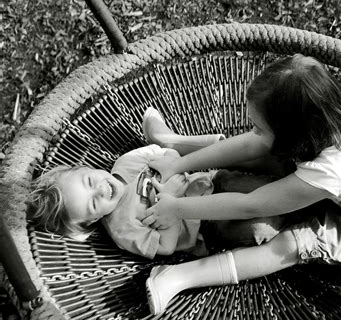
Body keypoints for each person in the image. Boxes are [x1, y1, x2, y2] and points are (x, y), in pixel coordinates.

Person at [142, 54, 341, 316]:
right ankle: (173, 145)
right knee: (262, 149)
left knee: (292, 245)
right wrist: (177, 166)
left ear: (295, 137)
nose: (252, 130)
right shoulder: (324, 121)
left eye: (259, 126)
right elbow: (252, 145)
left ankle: (177, 276)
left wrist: (176, 207)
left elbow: (250, 205)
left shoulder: (332, 169)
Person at [28, 108, 287, 259]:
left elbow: (168, 155)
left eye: (89, 181)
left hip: (211, 184)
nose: (100, 188)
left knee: (265, 182)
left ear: (87, 168)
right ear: (91, 221)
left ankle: (293, 189)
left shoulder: (126, 163)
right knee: (260, 226)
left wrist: (169, 176)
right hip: (208, 230)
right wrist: (171, 213)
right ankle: (298, 222)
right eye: (94, 202)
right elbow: (166, 246)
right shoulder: (122, 228)